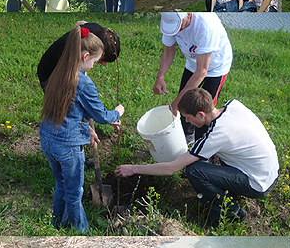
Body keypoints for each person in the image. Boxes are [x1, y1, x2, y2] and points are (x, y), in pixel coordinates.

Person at [116, 88, 279, 226]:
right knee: (207, 161)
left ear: (201, 114)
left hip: (258, 183)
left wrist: (134, 168)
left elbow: (171, 168)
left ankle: (231, 212)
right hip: (270, 171)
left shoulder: (216, 136)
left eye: (188, 117)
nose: (186, 120)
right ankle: (229, 193)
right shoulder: (233, 105)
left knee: (194, 170)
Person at [40, 25, 124, 233]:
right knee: (74, 192)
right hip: (68, 146)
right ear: (86, 55)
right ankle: (81, 231)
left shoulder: (57, 72)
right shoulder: (83, 83)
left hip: (48, 140)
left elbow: (69, 110)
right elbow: (101, 115)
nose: (95, 66)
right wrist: (117, 113)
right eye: (95, 61)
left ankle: (56, 223)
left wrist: (87, 128)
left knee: (60, 184)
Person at [154, 12, 232, 144]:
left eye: (179, 26)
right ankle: (187, 136)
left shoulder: (206, 25)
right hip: (193, 63)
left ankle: (202, 144)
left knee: (204, 110)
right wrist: (160, 77)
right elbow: (168, 51)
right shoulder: (170, 21)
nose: (176, 30)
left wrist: (176, 104)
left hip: (216, 66)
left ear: (189, 15)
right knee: (185, 104)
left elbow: (202, 71)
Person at [37, 21, 121, 91]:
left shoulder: (97, 31)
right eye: (103, 59)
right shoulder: (74, 48)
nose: (104, 64)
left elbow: (79, 23)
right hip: (50, 73)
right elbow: (73, 75)